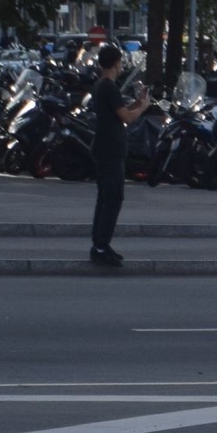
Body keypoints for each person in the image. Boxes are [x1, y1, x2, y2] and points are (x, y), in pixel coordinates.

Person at [85, 44, 148, 267]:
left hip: (105, 148)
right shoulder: (108, 87)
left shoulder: (103, 86)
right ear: (115, 63)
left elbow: (120, 110)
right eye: (120, 62)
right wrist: (144, 108)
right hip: (109, 150)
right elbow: (127, 118)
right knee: (113, 198)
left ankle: (100, 243)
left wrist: (138, 102)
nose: (122, 66)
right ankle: (101, 246)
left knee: (105, 198)